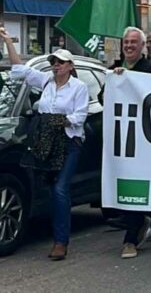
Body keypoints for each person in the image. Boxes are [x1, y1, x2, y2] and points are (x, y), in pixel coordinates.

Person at [1, 31, 87, 261]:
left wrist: (55, 120)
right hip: (46, 143)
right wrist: (8, 41)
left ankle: (61, 241)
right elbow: (20, 70)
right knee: (49, 187)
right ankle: (50, 227)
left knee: (60, 188)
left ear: (70, 66)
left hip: (68, 142)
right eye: (53, 62)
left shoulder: (79, 87)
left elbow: (79, 117)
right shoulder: (46, 81)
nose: (55, 65)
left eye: (60, 62)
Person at [110, 26, 151, 258]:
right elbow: (104, 98)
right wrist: (114, 81)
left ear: (142, 47)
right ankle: (140, 222)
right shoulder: (114, 70)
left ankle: (130, 240)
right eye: (126, 42)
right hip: (122, 140)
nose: (129, 46)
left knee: (137, 186)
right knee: (124, 186)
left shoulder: (150, 70)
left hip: (144, 140)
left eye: (134, 42)